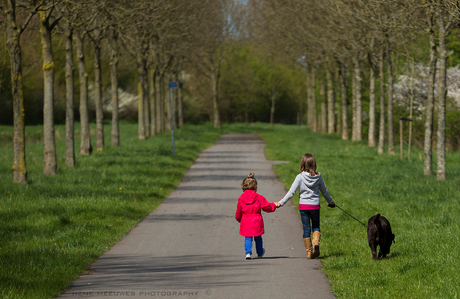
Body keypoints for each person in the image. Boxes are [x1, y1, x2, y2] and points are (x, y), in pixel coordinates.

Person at [276, 153, 335, 259]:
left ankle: (309, 252)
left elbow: (291, 192)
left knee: (306, 228)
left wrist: (281, 202)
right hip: (315, 206)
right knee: (316, 226)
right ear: (314, 164)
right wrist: (331, 202)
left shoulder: (300, 177)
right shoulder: (319, 177)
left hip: (304, 207)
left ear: (302, 164)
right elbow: (324, 192)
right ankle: (316, 242)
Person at [235, 172, 279, 260]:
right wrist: (274, 205)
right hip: (256, 220)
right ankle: (260, 252)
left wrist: (239, 219)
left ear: (243, 187)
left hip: (246, 220)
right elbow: (267, 207)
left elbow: (238, 211)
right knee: (258, 238)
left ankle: (248, 253)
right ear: (255, 187)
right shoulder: (259, 197)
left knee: (248, 238)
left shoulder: (241, 199)